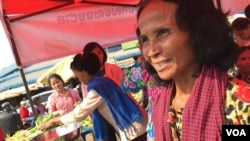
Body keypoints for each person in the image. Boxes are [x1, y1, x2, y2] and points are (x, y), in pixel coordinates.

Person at [136, 0, 250, 141]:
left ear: (200, 31)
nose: (152, 51)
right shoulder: (160, 104)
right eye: (145, 39)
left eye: (163, 32)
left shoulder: (238, 103)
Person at [39, 53, 148, 141]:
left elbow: (79, 113)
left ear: (85, 71)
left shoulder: (98, 87)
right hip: (134, 127)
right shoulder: (103, 81)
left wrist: (55, 121)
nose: (77, 78)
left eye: (77, 74)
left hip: (133, 131)